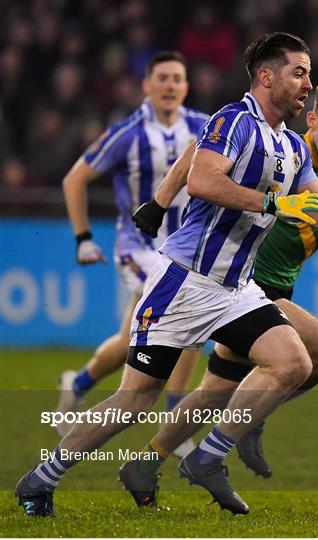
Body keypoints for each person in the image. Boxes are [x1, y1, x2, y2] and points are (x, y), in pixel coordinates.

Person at [16, 32, 318, 518]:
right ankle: (41, 478)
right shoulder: (232, 121)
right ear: (266, 77)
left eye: (308, 73)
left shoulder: (291, 147)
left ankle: (210, 456)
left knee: (295, 363)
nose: (307, 83)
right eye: (298, 72)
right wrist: (271, 202)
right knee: (135, 400)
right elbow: (202, 180)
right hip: (185, 281)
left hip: (236, 290)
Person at [120, 77, 318, 504]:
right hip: (246, 283)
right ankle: (249, 423)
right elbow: (199, 155)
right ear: (312, 119)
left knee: (214, 395)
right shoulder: (286, 145)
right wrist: (161, 200)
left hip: (274, 291)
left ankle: (145, 464)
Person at [56, 51, 209, 459]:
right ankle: (175, 423)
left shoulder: (204, 127)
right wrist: (82, 237)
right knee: (185, 311)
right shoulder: (128, 133)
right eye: (162, 78)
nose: (170, 85)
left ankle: (78, 386)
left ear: (186, 87)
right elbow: (75, 179)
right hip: (139, 248)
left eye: (178, 78)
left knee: (132, 339)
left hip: (187, 249)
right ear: (147, 85)